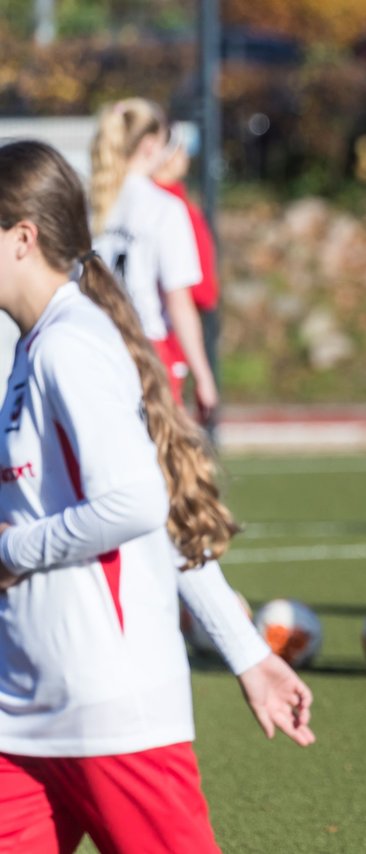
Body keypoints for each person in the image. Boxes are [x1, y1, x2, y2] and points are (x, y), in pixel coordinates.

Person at [0, 139, 314, 853]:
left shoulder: (69, 344)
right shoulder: (34, 345)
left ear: (22, 238)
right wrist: (246, 652)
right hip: (23, 716)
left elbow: (138, 506)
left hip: (112, 713)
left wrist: (11, 550)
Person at [90, 98, 219, 424]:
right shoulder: (165, 208)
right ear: (149, 145)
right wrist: (203, 375)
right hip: (147, 352)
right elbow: (179, 301)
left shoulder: (90, 204)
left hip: (92, 349)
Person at [151, 121, 223, 441]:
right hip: (165, 334)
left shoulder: (161, 203)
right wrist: (204, 376)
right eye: (178, 149)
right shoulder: (166, 208)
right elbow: (187, 293)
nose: (185, 157)